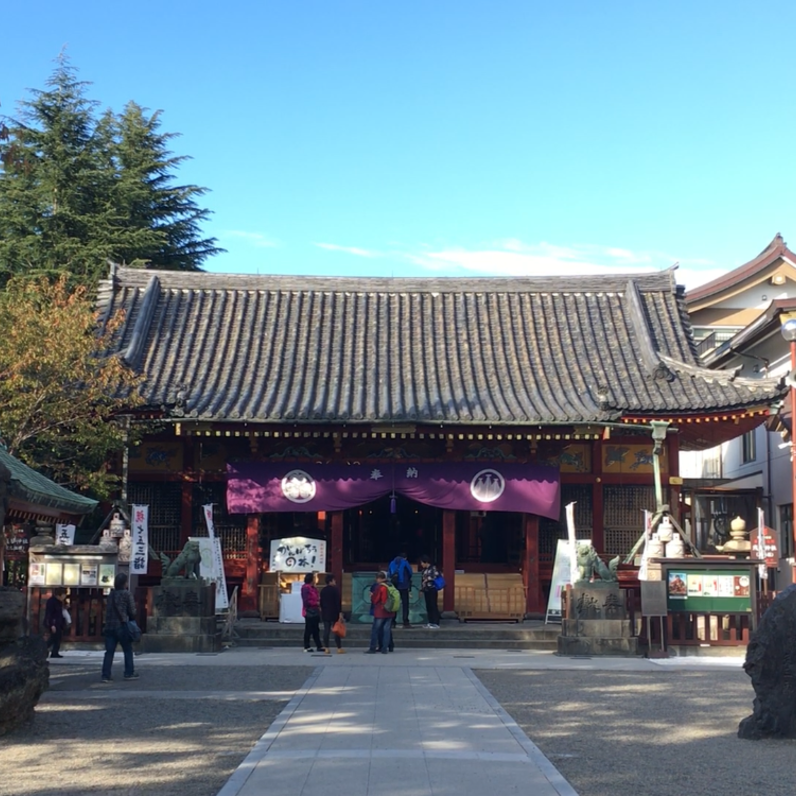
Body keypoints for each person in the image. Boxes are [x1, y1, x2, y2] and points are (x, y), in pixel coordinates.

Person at [101, 572, 138, 682]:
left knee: (109, 652)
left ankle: (106, 675)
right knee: (127, 650)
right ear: (124, 583)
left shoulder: (111, 595)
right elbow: (132, 611)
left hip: (109, 626)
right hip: (121, 625)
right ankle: (128, 672)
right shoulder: (127, 594)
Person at [366, 571, 395, 654]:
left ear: (380, 578)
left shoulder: (381, 587)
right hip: (390, 611)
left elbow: (375, 600)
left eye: (377, 578)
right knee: (387, 630)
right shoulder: (391, 585)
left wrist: (372, 596)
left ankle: (372, 648)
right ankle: (385, 648)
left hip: (381, 611)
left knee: (375, 630)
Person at [387, 551, 413, 628]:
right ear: (405, 558)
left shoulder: (392, 563)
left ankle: (392, 621)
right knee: (405, 604)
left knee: (394, 603)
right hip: (404, 585)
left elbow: (389, 573)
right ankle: (405, 621)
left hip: (394, 585)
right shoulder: (405, 562)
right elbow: (410, 572)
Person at [320, 574, 344, 654]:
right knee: (336, 630)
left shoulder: (323, 590)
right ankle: (339, 648)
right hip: (334, 612)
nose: (335, 582)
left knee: (326, 630)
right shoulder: (335, 590)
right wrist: (340, 613)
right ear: (330, 581)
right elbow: (338, 603)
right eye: (334, 580)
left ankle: (326, 648)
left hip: (325, 612)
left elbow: (321, 602)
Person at [301, 573, 325, 653]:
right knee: (308, 628)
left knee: (316, 629)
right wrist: (315, 603)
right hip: (309, 610)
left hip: (315, 610)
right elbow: (306, 601)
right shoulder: (306, 588)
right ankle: (306, 646)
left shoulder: (313, 588)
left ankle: (319, 645)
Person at [419, 555, 441, 629]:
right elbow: (422, 580)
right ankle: (430, 621)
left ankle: (436, 622)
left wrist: (427, 579)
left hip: (432, 589)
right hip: (426, 589)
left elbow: (436, 575)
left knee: (433, 605)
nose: (421, 564)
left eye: (422, 562)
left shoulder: (433, 568)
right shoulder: (424, 570)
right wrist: (422, 589)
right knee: (428, 606)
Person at [44, 587, 67, 658]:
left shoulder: (59, 602)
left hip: (58, 622)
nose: (65, 596)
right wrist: (52, 624)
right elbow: (50, 614)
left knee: (57, 638)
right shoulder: (51, 602)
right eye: (64, 594)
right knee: (53, 638)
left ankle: (55, 652)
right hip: (53, 622)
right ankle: (43, 649)